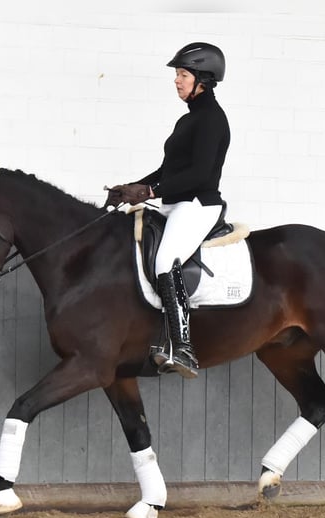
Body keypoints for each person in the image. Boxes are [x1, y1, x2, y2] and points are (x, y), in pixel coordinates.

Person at [109, 42, 231, 379]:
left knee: (165, 261)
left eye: (182, 75)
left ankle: (184, 349)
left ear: (202, 80)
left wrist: (150, 191)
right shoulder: (188, 120)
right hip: (177, 201)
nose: (176, 81)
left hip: (197, 205)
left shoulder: (211, 120)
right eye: (177, 75)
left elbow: (199, 175)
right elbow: (168, 172)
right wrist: (131, 188)